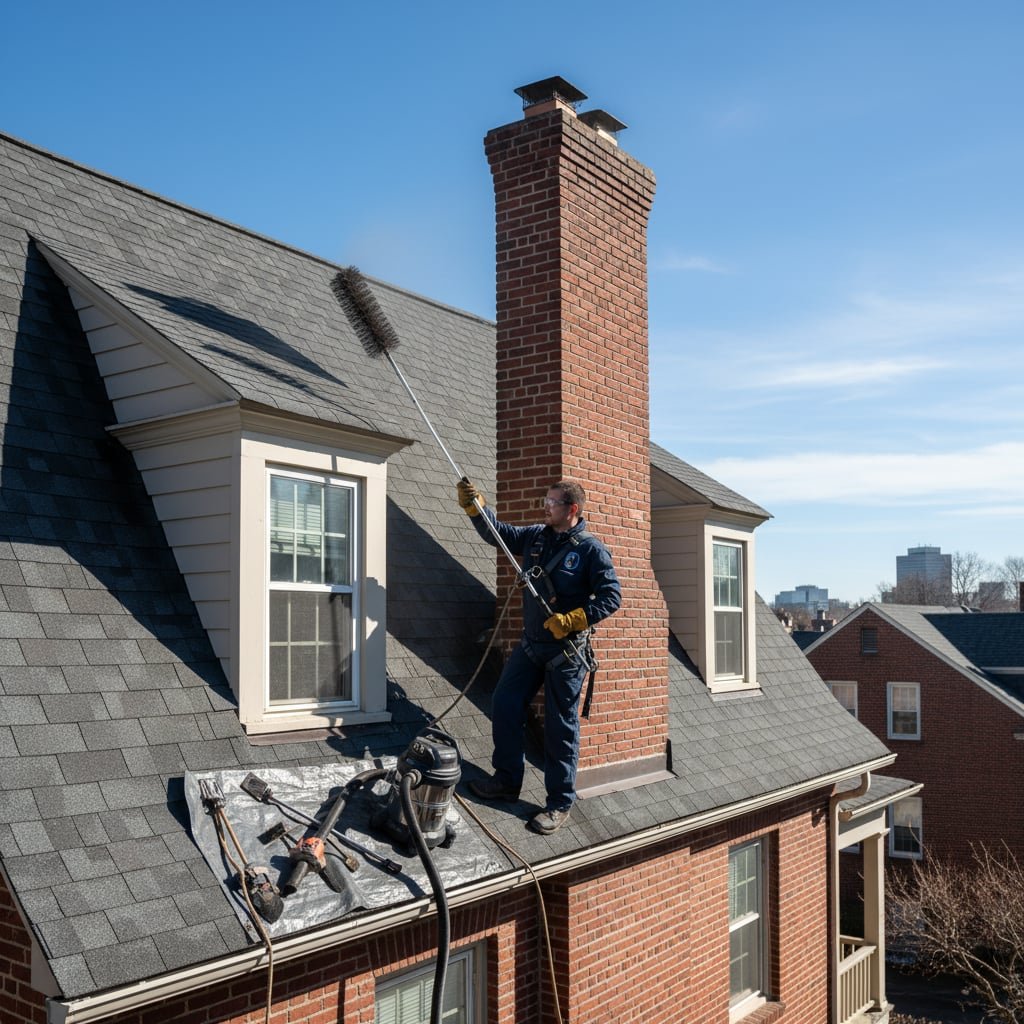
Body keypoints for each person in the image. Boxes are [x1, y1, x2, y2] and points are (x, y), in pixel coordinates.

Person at [456, 478, 621, 834]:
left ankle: (559, 803)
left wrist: (574, 619)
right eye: (545, 501)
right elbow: (497, 534)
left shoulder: (591, 551)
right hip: (532, 645)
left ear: (572, 509)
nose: (545, 507)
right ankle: (506, 780)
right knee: (505, 702)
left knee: (560, 726)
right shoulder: (536, 536)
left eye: (553, 503)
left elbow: (611, 597)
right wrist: (476, 508)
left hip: (566, 652)